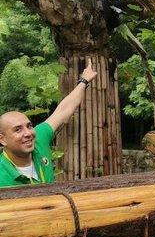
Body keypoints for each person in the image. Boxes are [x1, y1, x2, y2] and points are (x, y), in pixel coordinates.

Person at [0, 59, 97, 188]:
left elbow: (63, 110)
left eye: (29, 126)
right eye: (18, 130)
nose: (28, 133)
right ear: (3, 139)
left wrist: (84, 81)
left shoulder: (39, 139)